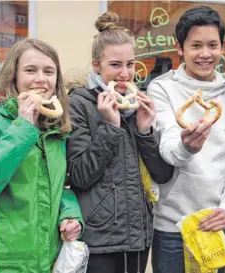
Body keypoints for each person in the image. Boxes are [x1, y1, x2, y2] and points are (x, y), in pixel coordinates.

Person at [65, 12, 174, 273]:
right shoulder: (78, 103)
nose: (125, 74)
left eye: (130, 64)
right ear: (96, 65)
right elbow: (79, 175)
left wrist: (145, 132)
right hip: (98, 238)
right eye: (115, 65)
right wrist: (111, 127)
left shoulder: (139, 105)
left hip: (138, 236)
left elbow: (162, 173)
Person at [148, 6, 225, 273]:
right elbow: (168, 147)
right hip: (171, 226)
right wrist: (186, 147)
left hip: (214, 225)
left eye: (212, 45)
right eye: (195, 45)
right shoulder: (162, 88)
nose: (205, 54)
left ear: (223, 46)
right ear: (179, 47)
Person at [0, 38, 83, 272]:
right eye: (30, 70)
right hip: (5, 261)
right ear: (13, 75)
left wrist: (71, 215)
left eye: (48, 71)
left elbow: (58, 185)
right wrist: (23, 127)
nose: (41, 79)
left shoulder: (55, 128)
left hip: (48, 258)